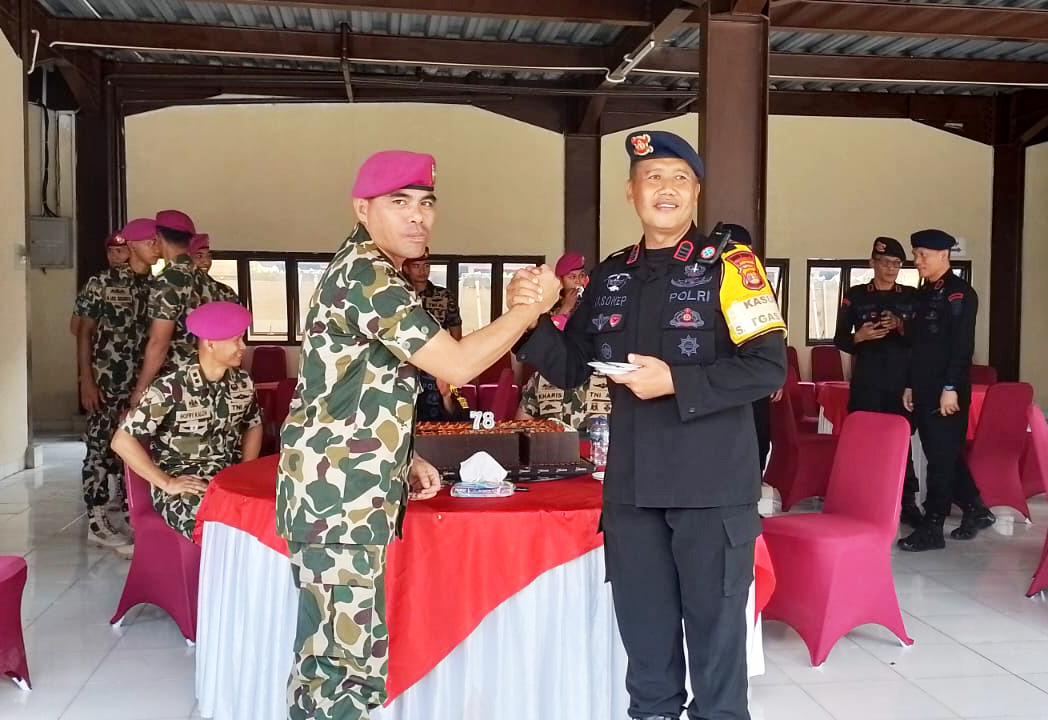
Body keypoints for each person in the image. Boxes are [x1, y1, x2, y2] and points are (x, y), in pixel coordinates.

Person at [275, 149, 560, 720]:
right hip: (340, 500)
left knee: (337, 655)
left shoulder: (373, 270)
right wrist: (530, 311)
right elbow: (455, 365)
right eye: (399, 202)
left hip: (346, 487)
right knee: (344, 668)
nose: (417, 216)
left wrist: (402, 456)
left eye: (427, 202)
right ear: (363, 209)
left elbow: (360, 389)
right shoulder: (368, 276)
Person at [514, 130, 787, 720]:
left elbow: (768, 368)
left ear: (696, 193)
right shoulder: (612, 276)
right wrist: (527, 317)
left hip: (712, 490)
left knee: (717, 657)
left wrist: (677, 382)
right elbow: (571, 366)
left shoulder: (733, 268)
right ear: (631, 192)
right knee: (646, 655)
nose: (666, 189)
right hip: (634, 493)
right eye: (653, 177)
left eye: (679, 178)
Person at [111, 301, 263, 540]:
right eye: (236, 340)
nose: (243, 346)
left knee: (268, 511)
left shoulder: (243, 383)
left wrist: (245, 469)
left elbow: (254, 424)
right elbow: (121, 441)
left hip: (227, 478)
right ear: (210, 344)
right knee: (217, 522)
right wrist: (167, 483)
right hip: (187, 485)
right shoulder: (171, 387)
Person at [898, 229, 994, 552]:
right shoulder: (924, 293)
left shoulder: (960, 294)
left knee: (940, 460)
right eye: (916, 254)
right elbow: (916, 347)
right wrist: (910, 384)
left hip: (947, 391)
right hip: (923, 388)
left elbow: (961, 347)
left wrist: (950, 387)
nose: (917, 260)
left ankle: (933, 526)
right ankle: (976, 508)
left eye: (923, 255)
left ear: (944, 255)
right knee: (943, 454)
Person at [75, 222, 159, 550]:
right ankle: (97, 520)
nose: (156, 247)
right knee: (99, 448)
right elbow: (83, 333)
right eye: (150, 242)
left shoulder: (156, 287)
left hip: (142, 386)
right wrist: (86, 380)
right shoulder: (102, 283)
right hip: (107, 383)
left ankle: (130, 512)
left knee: (135, 449)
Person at [834, 236, 922, 527]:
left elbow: (923, 339)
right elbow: (840, 339)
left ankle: (907, 502)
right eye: (885, 262)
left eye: (897, 263)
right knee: (863, 441)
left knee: (901, 443)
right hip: (867, 381)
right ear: (872, 263)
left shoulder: (911, 296)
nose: (891, 268)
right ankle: (861, 500)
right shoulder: (857, 295)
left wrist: (900, 325)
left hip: (900, 383)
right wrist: (859, 337)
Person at [128, 209, 210, 407]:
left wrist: (141, 390)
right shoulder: (207, 281)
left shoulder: (168, 281)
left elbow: (159, 342)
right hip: (205, 382)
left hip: (174, 385)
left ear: (158, 238)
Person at [70, 235, 131, 337]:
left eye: (119, 251)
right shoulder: (98, 283)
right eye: (110, 251)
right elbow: (76, 327)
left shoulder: (145, 282)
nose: (114, 257)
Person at [516, 370, 610, 435]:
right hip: (552, 452)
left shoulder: (611, 377)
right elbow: (520, 428)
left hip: (598, 452)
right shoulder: (541, 377)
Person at [401, 247, 462, 339]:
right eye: (416, 266)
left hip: (438, 345)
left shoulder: (444, 295)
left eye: (426, 266)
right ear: (406, 269)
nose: (422, 271)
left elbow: (455, 328)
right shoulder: (400, 294)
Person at [189, 233, 239, 302]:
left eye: (209, 256)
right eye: (199, 256)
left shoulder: (224, 291)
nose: (207, 262)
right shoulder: (179, 288)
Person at [550, 251, 588, 326]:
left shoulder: (589, 299)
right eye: (572, 277)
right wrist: (566, 307)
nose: (578, 281)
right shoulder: (551, 302)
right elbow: (548, 331)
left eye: (581, 275)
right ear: (560, 280)